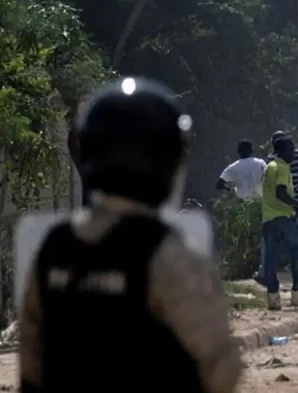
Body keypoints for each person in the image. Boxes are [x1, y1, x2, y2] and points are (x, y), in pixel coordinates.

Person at [16, 77, 242, 393]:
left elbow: (31, 360)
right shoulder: (169, 254)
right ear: (168, 159)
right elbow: (221, 368)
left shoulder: (52, 248)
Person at [259, 136, 298, 310]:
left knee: (270, 260)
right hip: (284, 218)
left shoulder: (269, 167)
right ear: (281, 151)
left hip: (268, 219)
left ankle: (273, 299)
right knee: (297, 255)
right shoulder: (283, 167)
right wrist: (297, 204)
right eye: (290, 149)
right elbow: (281, 192)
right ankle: (297, 295)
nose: (293, 153)